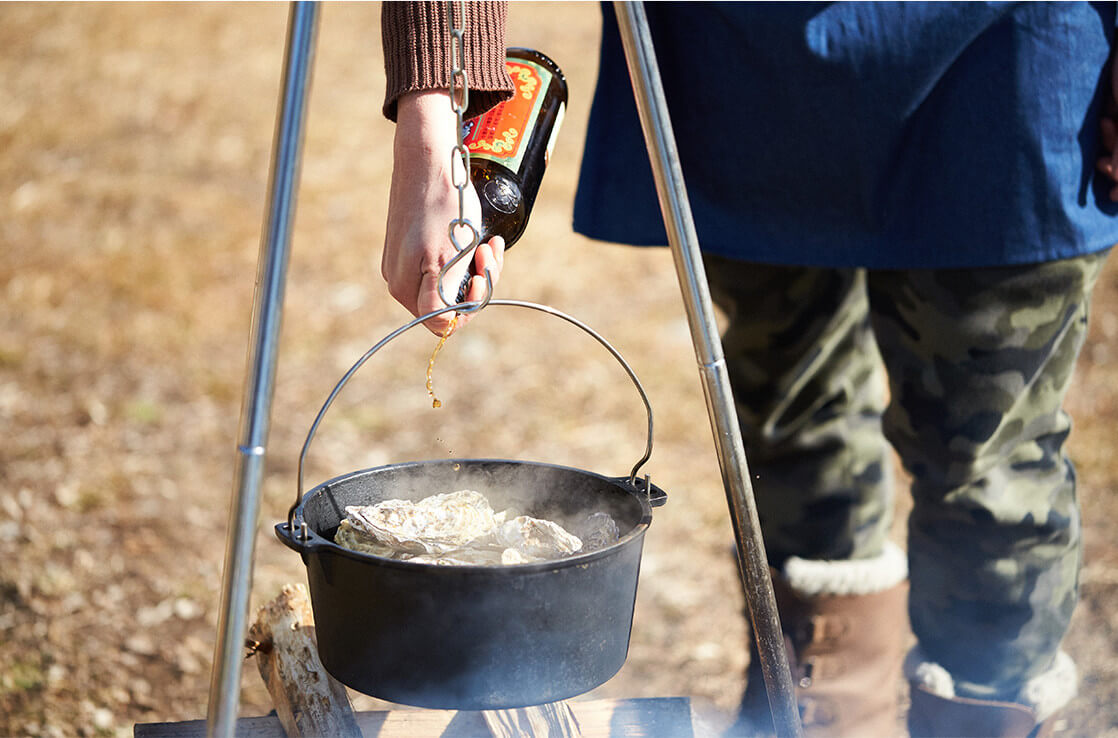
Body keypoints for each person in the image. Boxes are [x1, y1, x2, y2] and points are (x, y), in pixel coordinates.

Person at [379, 3, 1118, 736]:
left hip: (1008, 52)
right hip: (747, 62)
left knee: (987, 456)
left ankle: (988, 709)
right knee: (788, 407)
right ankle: (820, 701)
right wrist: (431, 115)